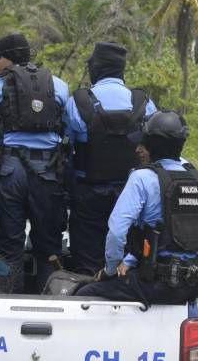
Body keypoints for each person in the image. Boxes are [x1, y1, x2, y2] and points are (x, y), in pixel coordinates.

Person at [74, 111, 198, 305]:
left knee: (83, 294)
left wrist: (111, 271)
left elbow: (116, 234)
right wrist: (130, 261)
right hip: (193, 284)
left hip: (156, 284)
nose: (138, 149)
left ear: (151, 145)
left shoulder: (142, 178)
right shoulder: (197, 179)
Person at [0, 33, 70, 293]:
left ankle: (11, 299)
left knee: (10, 246)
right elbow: (69, 131)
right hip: (48, 173)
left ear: (9, 58)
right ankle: (51, 303)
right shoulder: (59, 85)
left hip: (11, 171)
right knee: (49, 247)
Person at [64, 42, 156, 275]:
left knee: (86, 260)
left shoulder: (78, 101)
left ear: (95, 68)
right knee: (130, 253)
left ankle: (87, 293)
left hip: (88, 193)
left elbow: (66, 145)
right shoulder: (143, 102)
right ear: (121, 70)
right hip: (132, 192)